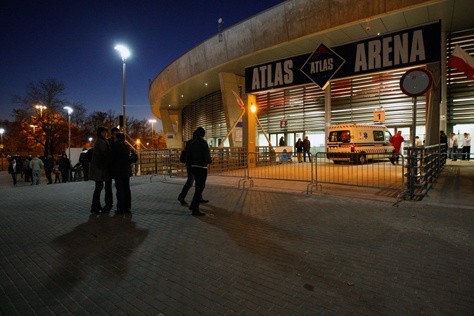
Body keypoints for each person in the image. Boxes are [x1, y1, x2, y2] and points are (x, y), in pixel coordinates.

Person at [178, 131, 209, 206]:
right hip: (195, 165)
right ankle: (182, 197)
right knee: (192, 182)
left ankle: (197, 197)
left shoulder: (190, 142)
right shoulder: (197, 143)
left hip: (190, 165)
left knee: (194, 182)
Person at [186, 127, 212, 216]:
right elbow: (207, 156)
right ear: (202, 134)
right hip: (202, 167)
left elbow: (187, 156)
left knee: (198, 187)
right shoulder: (203, 143)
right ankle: (195, 209)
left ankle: (193, 205)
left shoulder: (191, 143)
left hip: (193, 167)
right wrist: (209, 161)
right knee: (200, 188)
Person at [89, 127, 111, 213]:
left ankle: (96, 206)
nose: (106, 134)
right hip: (99, 168)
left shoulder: (101, 141)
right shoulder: (100, 142)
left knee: (99, 187)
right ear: (101, 133)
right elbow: (105, 153)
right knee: (98, 187)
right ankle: (95, 206)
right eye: (105, 132)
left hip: (99, 168)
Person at [110, 133, 133, 214]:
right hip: (126, 171)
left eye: (115, 137)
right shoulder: (126, 146)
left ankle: (120, 208)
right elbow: (132, 157)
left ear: (118, 138)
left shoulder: (115, 146)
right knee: (127, 189)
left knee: (119, 190)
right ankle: (127, 207)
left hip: (118, 171)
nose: (114, 139)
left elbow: (111, 159)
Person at [103, 127, 120, 212]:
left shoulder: (115, 142)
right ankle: (109, 203)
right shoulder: (109, 142)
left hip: (115, 167)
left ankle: (116, 204)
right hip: (110, 167)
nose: (117, 134)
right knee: (108, 186)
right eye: (116, 133)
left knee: (117, 186)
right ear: (113, 133)